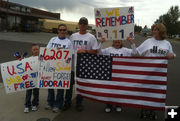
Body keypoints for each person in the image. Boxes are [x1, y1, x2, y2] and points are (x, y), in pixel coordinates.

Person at [137, 23, 176, 120]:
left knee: (155, 91)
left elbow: (172, 54)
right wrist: (131, 43)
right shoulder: (148, 41)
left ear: (161, 31)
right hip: (147, 71)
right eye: (153, 29)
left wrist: (170, 56)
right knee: (145, 90)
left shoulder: (167, 43)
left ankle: (152, 109)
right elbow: (137, 52)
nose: (153, 31)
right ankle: (144, 108)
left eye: (156, 29)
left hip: (159, 73)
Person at [98, 37, 137, 113]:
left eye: (119, 42)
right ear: (113, 42)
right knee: (110, 90)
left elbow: (135, 52)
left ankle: (118, 104)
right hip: (110, 73)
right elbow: (99, 52)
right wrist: (101, 42)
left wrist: (131, 42)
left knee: (119, 90)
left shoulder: (125, 50)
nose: (117, 44)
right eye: (115, 42)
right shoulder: (109, 49)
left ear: (121, 43)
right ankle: (109, 105)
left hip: (121, 74)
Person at [70, 17, 98, 112]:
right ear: (78, 24)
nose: (82, 25)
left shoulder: (91, 37)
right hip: (71, 65)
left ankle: (79, 103)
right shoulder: (73, 36)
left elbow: (95, 51)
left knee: (80, 85)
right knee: (69, 85)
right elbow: (69, 49)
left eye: (84, 24)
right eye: (81, 23)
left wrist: (85, 51)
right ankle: (67, 102)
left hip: (83, 66)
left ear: (87, 25)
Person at [45, 24, 73, 113]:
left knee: (60, 87)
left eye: (64, 30)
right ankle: (50, 102)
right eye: (60, 30)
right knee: (50, 86)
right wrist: (56, 50)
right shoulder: (53, 39)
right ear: (58, 30)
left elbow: (71, 55)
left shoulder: (68, 42)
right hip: (52, 66)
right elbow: (46, 51)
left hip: (62, 68)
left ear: (66, 31)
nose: (62, 31)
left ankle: (58, 104)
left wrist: (64, 51)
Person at [24, 44, 40, 113]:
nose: (36, 51)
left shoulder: (42, 58)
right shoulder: (28, 59)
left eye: (37, 49)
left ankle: (35, 104)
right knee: (28, 92)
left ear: (39, 50)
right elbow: (21, 64)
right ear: (31, 51)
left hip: (37, 79)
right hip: (30, 79)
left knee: (36, 92)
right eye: (34, 49)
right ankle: (27, 105)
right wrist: (20, 60)